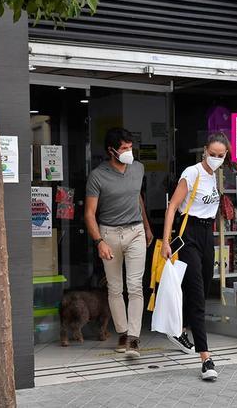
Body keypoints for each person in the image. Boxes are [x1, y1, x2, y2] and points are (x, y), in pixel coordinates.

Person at [161, 132, 234, 381]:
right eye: (211, 154)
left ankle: (180, 329)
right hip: (188, 234)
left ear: (225, 154)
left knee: (201, 290)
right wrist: (165, 242)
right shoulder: (191, 173)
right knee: (195, 291)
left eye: (220, 155)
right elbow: (172, 207)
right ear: (205, 151)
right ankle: (206, 358)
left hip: (207, 234)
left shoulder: (215, 176)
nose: (215, 158)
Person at [85, 128, 153, 358]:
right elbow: (89, 213)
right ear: (111, 151)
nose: (128, 152)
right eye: (124, 149)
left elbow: (137, 197)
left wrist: (146, 226)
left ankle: (133, 338)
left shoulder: (139, 168)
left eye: (130, 147)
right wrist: (99, 241)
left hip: (135, 231)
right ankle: (122, 332)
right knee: (115, 288)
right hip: (109, 234)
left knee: (135, 285)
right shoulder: (97, 175)